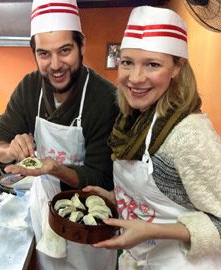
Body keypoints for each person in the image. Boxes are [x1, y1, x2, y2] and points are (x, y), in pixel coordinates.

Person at [84, 5, 221, 269]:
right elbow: (167, 199)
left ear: (177, 68)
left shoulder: (189, 135)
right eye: (127, 62)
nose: (135, 78)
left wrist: (154, 231)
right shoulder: (135, 119)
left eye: (152, 64)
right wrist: (116, 198)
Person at [0, 0, 119, 268]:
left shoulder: (104, 98)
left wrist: (55, 169)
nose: (55, 65)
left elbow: (101, 176)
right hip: (46, 213)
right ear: (34, 53)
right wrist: (10, 150)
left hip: (91, 220)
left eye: (65, 50)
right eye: (44, 54)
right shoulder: (29, 87)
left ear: (81, 45)